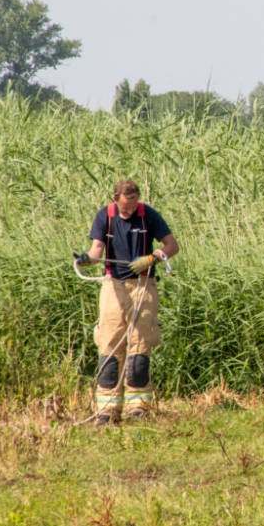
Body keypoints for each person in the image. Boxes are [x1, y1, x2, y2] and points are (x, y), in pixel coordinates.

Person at [75, 180, 179, 427]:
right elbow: (97, 250)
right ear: (115, 199)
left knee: (140, 347)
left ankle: (138, 407)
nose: (129, 212)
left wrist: (151, 258)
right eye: (125, 208)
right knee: (110, 345)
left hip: (144, 286)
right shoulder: (105, 216)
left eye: (132, 208)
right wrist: (87, 260)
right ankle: (107, 410)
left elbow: (172, 246)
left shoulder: (148, 215)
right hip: (113, 286)